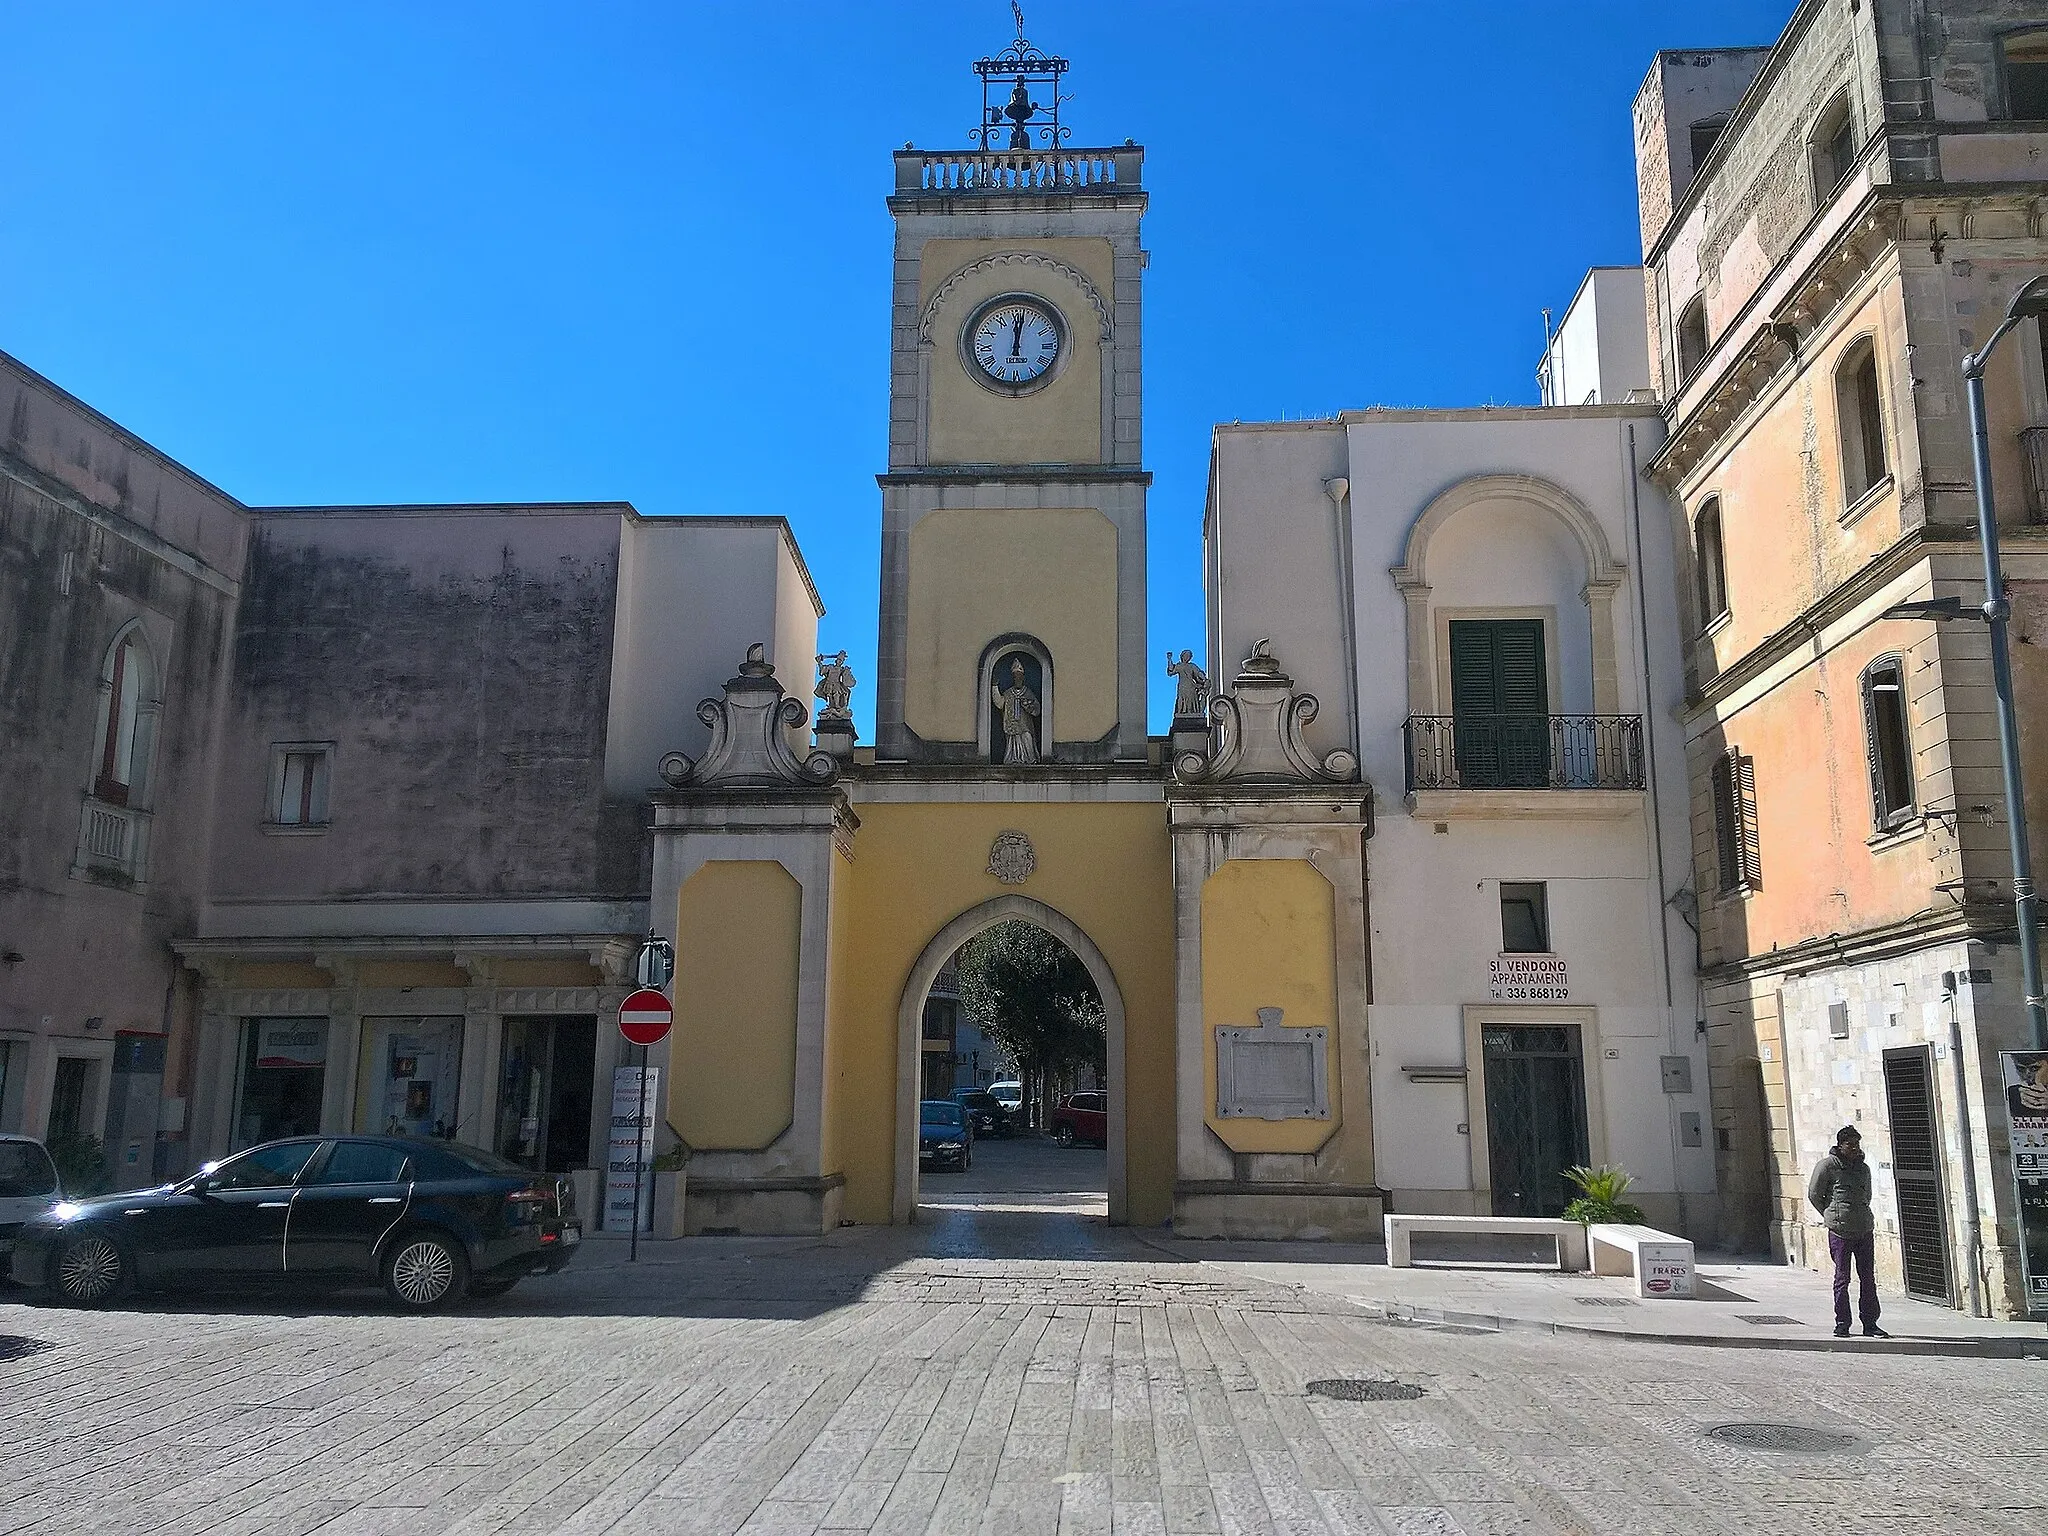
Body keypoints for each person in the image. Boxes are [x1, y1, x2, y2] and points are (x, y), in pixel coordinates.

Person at [1808, 1125, 1888, 1338]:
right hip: (1840, 1231)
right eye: (1849, 1144)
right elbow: (1815, 1195)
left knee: (1868, 1277)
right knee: (1842, 1278)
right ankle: (1842, 1323)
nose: (1854, 1148)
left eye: (1856, 1144)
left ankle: (1870, 1323)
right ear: (1840, 1145)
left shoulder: (1863, 1169)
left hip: (1863, 1228)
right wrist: (1831, 1215)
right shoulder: (1827, 1167)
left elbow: (1867, 1196)